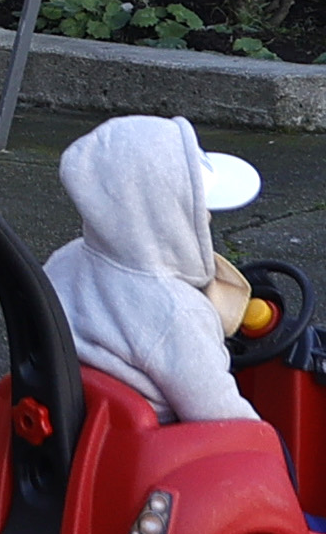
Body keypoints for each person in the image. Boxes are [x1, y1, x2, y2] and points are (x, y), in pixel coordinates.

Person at [42, 116, 269, 426]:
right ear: (168, 214)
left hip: (77, 430)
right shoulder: (178, 312)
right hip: (156, 449)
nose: (207, 218)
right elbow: (222, 415)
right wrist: (265, 438)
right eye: (198, 208)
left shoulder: (62, 262)